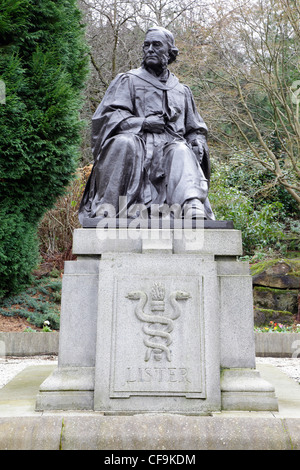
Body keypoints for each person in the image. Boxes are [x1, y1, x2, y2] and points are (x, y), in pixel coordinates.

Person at [79, 26, 215, 225]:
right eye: (146, 45)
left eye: (156, 45)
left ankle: (191, 204)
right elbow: (107, 118)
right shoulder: (128, 81)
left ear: (170, 52)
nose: (150, 49)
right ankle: (108, 208)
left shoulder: (182, 91)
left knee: (182, 149)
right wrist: (143, 123)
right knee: (125, 142)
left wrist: (198, 141)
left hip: (170, 152)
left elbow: (195, 128)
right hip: (137, 147)